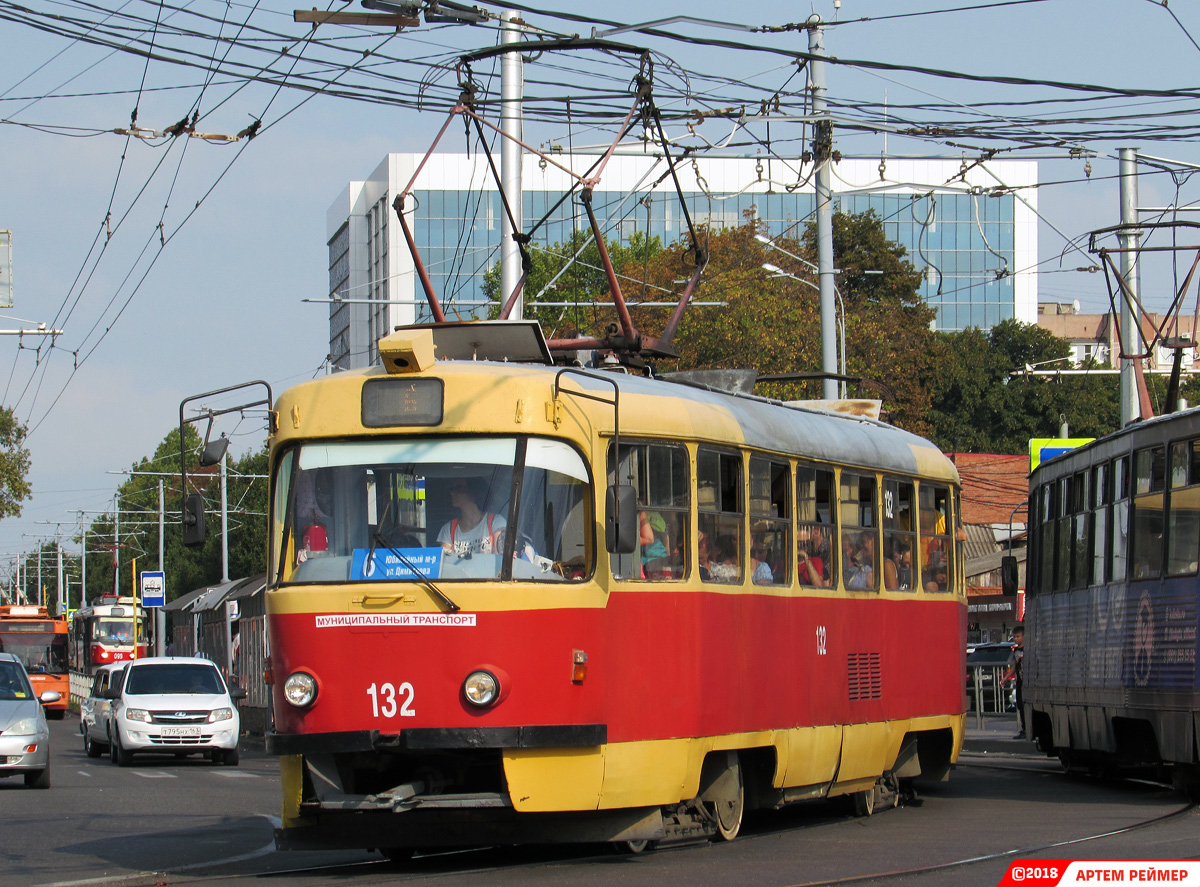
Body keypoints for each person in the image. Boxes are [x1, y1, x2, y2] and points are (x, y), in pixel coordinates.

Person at [438, 479, 506, 557]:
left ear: (473, 492)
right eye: (452, 489)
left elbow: (501, 560)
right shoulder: (449, 529)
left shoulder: (496, 522)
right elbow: (444, 563)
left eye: (458, 488)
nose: (452, 493)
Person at [1009, 624, 1026, 739]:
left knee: (1026, 705)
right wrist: (1006, 678)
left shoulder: (1028, 649)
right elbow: (1015, 666)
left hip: (1027, 682)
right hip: (1019, 681)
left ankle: (1029, 729)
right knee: (1019, 705)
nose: (1016, 639)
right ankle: (1024, 729)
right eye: (1014, 637)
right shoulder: (1016, 651)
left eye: (1018, 636)